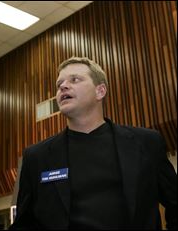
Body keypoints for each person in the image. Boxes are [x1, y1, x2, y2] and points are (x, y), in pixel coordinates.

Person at [10, 57, 177, 230]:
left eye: (74, 80)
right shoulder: (37, 157)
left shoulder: (147, 143)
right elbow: (24, 224)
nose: (63, 86)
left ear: (100, 91)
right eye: (59, 83)